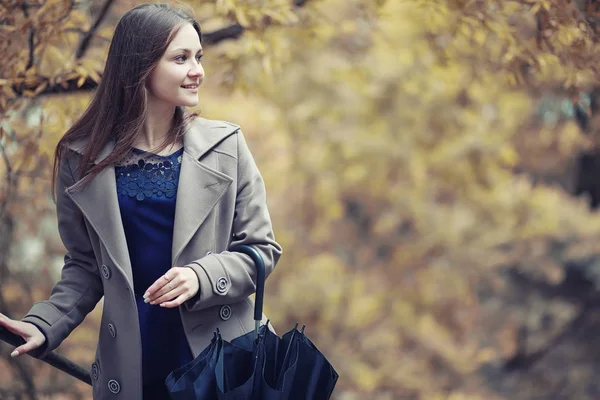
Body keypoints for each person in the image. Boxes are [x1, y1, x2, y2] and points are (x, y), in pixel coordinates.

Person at [0, 3, 282, 399]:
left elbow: (261, 250)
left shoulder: (226, 146)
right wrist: (45, 323)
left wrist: (202, 276)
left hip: (223, 362)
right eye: (181, 58)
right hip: (135, 361)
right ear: (141, 66)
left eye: (199, 57)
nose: (197, 69)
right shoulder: (79, 158)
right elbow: (85, 265)